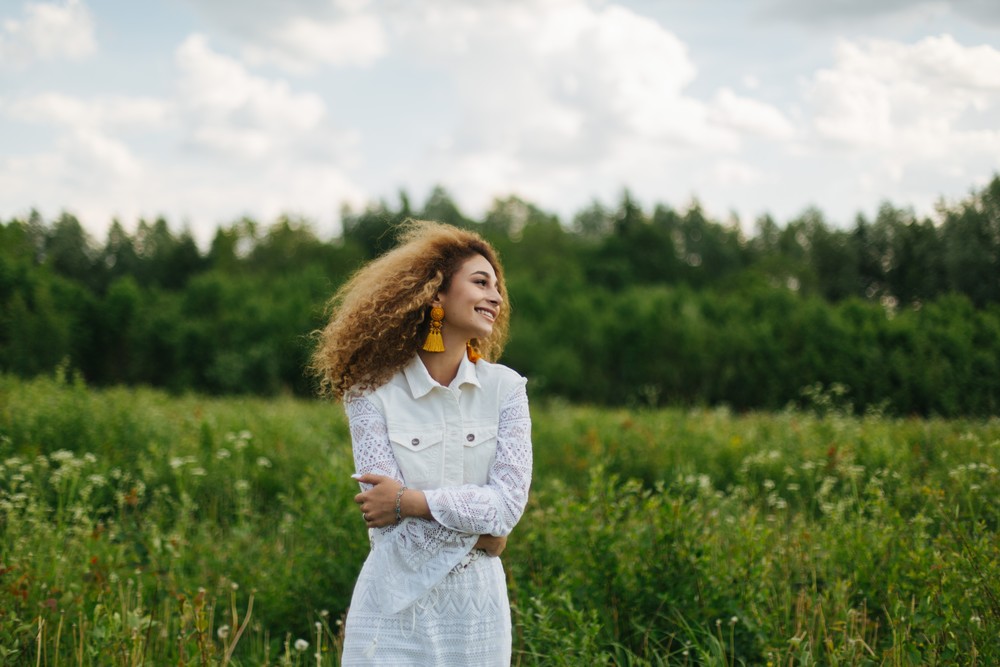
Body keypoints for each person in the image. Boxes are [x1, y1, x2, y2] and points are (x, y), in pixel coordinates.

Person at [310, 220, 532, 665]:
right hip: (391, 609)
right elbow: (385, 520)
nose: (496, 296)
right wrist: (481, 537)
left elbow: (507, 507)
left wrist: (411, 502)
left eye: (498, 286)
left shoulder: (506, 389)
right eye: (480, 281)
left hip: (476, 616)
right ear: (436, 294)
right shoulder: (368, 392)